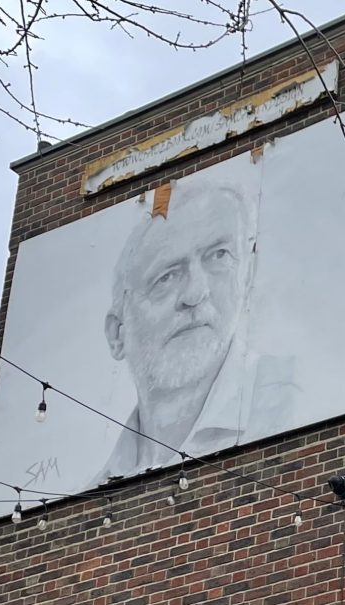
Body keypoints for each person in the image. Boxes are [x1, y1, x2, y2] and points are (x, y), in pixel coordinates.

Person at [95, 177, 293, 483]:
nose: (195, 293)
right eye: (166, 276)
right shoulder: (95, 488)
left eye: (219, 256)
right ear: (117, 334)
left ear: (247, 276)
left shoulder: (295, 400)